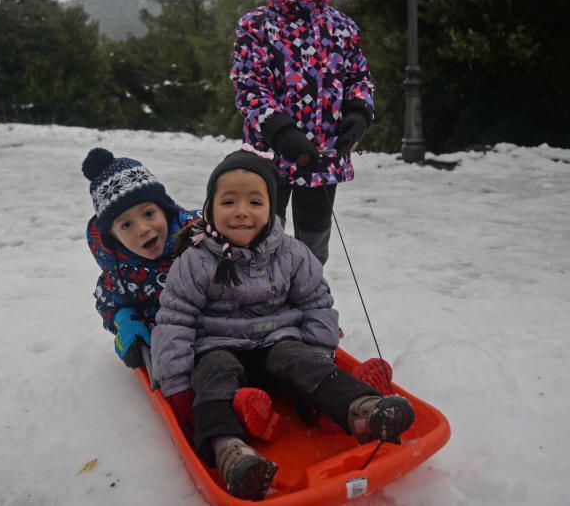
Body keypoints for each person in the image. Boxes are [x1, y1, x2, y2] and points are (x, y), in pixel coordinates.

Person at [151, 149, 413, 501]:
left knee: (299, 360)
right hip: (217, 347)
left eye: (255, 201)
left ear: (272, 208)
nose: (242, 211)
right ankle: (231, 452)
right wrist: (178, 387)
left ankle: (362, 409)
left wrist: (320, 356)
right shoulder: (194, 262)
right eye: (228, 201)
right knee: (215, 375)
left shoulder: (292, 253)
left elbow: (316, 303)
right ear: (210, 207)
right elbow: (174, 322)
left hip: (278, 343)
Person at [231, 0, 375, 266]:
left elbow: (360, 78)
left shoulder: (342, 27)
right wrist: (281, 132)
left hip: (323, 156)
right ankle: (260, 300)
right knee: (263, 236)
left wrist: (357, 117)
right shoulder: (256, 25)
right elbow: (250, 85)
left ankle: (307, 298)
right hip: (270, 154)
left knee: (313, 241)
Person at [82, 147, 200, 370]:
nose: (143, 229)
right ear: (113, 236)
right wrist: (125, 322)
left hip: (221, 326)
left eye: (148, 214)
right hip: (169, 342)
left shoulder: (198, 236)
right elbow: (109, 303)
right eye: (126, 225)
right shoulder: (120, 273)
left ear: (165, 210)